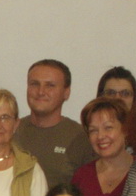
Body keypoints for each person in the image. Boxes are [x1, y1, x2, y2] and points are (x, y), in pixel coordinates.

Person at [12, 60, 94, 188]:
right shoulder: (10, 131)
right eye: (34, 84)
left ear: (66, 93)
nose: (41, 92)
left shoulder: (81, 138)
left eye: (50, 85)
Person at [71, 97, 132, 196]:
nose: (100, 136)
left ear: (125, 129)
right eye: (93, 130)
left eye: (108, 128)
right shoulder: (82, 176)